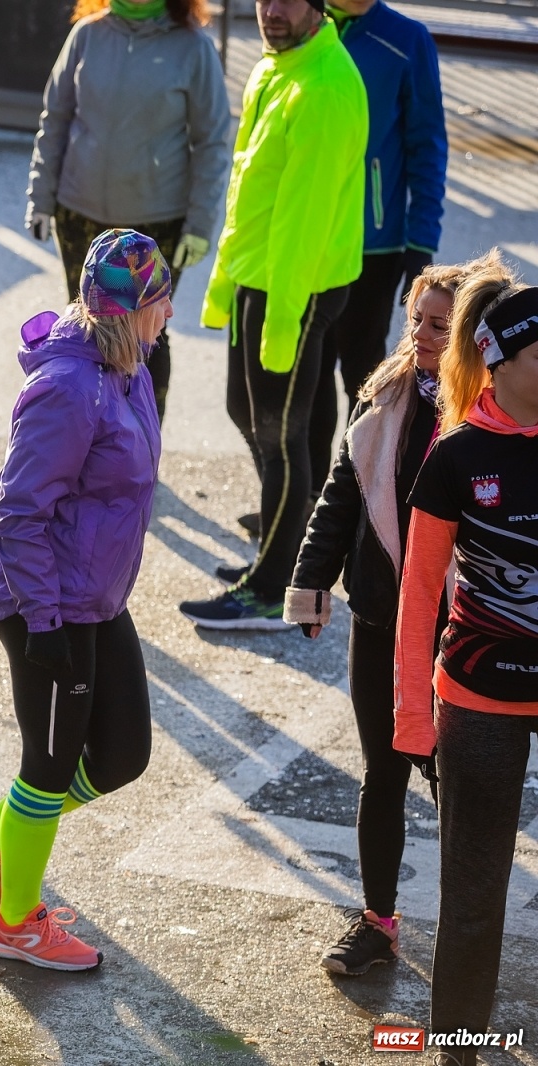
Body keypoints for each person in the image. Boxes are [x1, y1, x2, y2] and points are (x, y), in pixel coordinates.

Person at [0, 230, 166, 970]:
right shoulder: (68, 387)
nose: (169, 314)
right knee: (50, 764)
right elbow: (18, 513)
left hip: (94, 594)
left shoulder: (128, 368)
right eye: (160, 301)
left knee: (124, 754)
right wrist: (43, 621)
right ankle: (16, 925)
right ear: (134, 310)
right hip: (47, 604)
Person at [284, 260, 477, 976]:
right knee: (383, 772)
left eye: (437, 326)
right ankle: (376, 922)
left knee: (453, 779)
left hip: (456, 629)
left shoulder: (486, 412)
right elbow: (343, 492)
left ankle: (468, 933)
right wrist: (310, 581)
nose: (420, 337)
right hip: (379, 617)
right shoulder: (386, 396)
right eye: (415, 320)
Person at [176, 0, 367, 629]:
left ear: (320, 8)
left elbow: (301, 226)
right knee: (249, 414)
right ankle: (281, 547)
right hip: (263, 279)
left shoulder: (325, 87)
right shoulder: (276, 65)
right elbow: (248, 190)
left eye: (290, 0)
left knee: (282, 433)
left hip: (297, 287)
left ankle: (277, 584)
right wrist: (228, 286)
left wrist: (282, 321)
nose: (273, 11)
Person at [395, 257, 537, 1065]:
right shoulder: (455, 458)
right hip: (478, 703)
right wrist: (414, 716)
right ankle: (458, 1052)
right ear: (504, 361)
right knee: (474, 901)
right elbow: (417, 600)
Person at [25, 0, 231, 421]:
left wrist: (200, 223)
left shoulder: (193, 48)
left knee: (145, 338)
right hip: (79, 213)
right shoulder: (87, 34)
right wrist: (40, 196)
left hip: (155, 224)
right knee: (85, 332)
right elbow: (56, 119)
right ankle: (83, 434)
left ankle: (138, 444)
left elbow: (212, 142)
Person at [306, 0, 448, 493]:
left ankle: (351, 505)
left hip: (374, 246)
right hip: (306, 238)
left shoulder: (406, 40)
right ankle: (304, 502)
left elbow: (427, 146)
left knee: (361, 379)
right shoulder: (305, 25)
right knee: (308, 374)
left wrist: (420, 242)